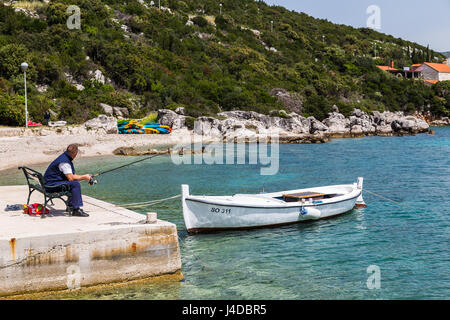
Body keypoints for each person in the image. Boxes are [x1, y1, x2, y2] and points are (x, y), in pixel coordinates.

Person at [43, 144, 92, 217]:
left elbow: (70, 175)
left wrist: (83, 176)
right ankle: (76, 209)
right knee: (75, 184)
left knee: (73, 183)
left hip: (49, 182)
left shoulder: (64, 157)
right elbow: (71, 178)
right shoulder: (65, 162)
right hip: (50, 185)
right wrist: (84, 177)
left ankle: (71, 205)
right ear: (75, 153)